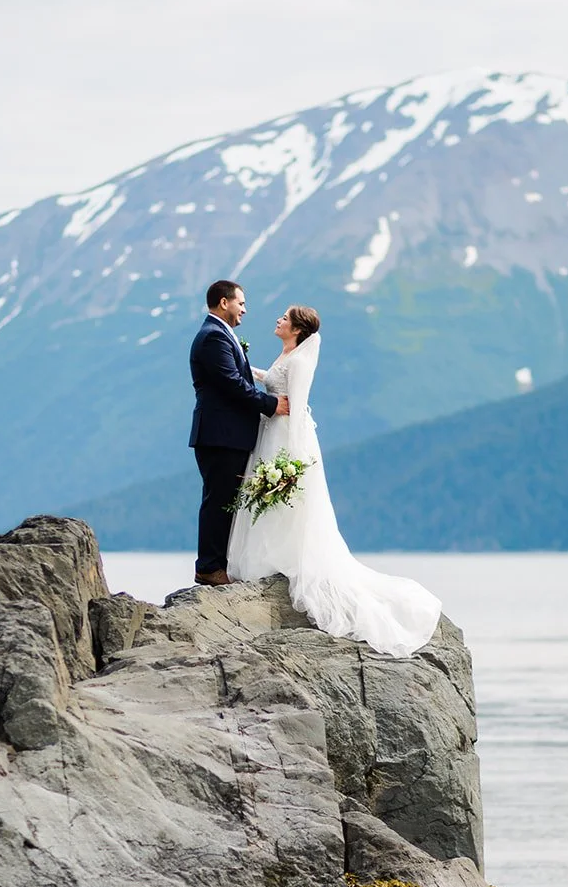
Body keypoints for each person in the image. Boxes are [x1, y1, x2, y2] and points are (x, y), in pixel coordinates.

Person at [227, 304, 441, 659]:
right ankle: (268, 559)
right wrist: (245, 368)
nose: (278, 320)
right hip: (271, 431)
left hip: (285, 436)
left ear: (296, 329)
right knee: (268, 500)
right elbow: (273, 381)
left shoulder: (299, 361)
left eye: (284, 318)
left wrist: (292, 458)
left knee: (284, 500)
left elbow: (297, 402)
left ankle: (283, 557)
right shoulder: (287, 355)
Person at [189, 280, 289, 586]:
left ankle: (217, 564)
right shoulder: (213, 338)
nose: (244, 309)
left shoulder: (219, 335)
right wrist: (271, 404)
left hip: (226, 434)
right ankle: (208, 567)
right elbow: (232, 384)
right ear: (224, 303)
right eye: (241, 303)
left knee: (224, 499)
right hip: (220, 435)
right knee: (218, 501)